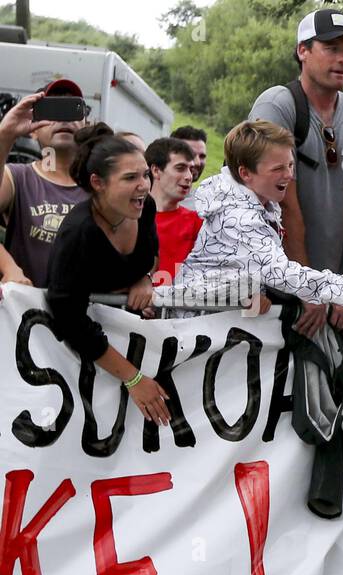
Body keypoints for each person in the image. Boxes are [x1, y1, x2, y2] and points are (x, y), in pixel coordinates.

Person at [249, 8, 343, 336]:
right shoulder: (277, 106)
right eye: (332, 48)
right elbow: (284, 204)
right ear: (303, 51)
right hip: (275, 289)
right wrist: (309, 289)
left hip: (332, 294)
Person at [166, 120, 343, 317]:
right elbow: (281, 274)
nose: (289, 175)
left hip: (212, 322)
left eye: (290, 165)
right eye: (278, 168)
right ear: (245, 173)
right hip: (191, 328)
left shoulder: (260, 201)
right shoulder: (239, 218)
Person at [45, 124, 167, 423]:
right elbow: (68, 318)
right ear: (98, 182)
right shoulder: (78, 234)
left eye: (145, 175)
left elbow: (152, 256)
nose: (144, 186)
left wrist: (144, 278)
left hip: (133, 339)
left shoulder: (145, 206)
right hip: (76, 356)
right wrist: (134, 379)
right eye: (130, 178)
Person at [0, 80, 89, 287]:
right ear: (33, 129)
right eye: (53, 109)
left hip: (87, 315)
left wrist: (141, 278)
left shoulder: (101, 184)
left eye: (71, 109)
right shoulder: (17, 177)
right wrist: (5, 134)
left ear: (86, 124)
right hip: (26, 315)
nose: (62, 119)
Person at [144, 137, 201, 288]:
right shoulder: (128, 219)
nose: (189, 176)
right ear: (156, 170)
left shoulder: (198, 223)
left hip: (179, 309)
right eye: (180, 168)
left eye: (191, 169)